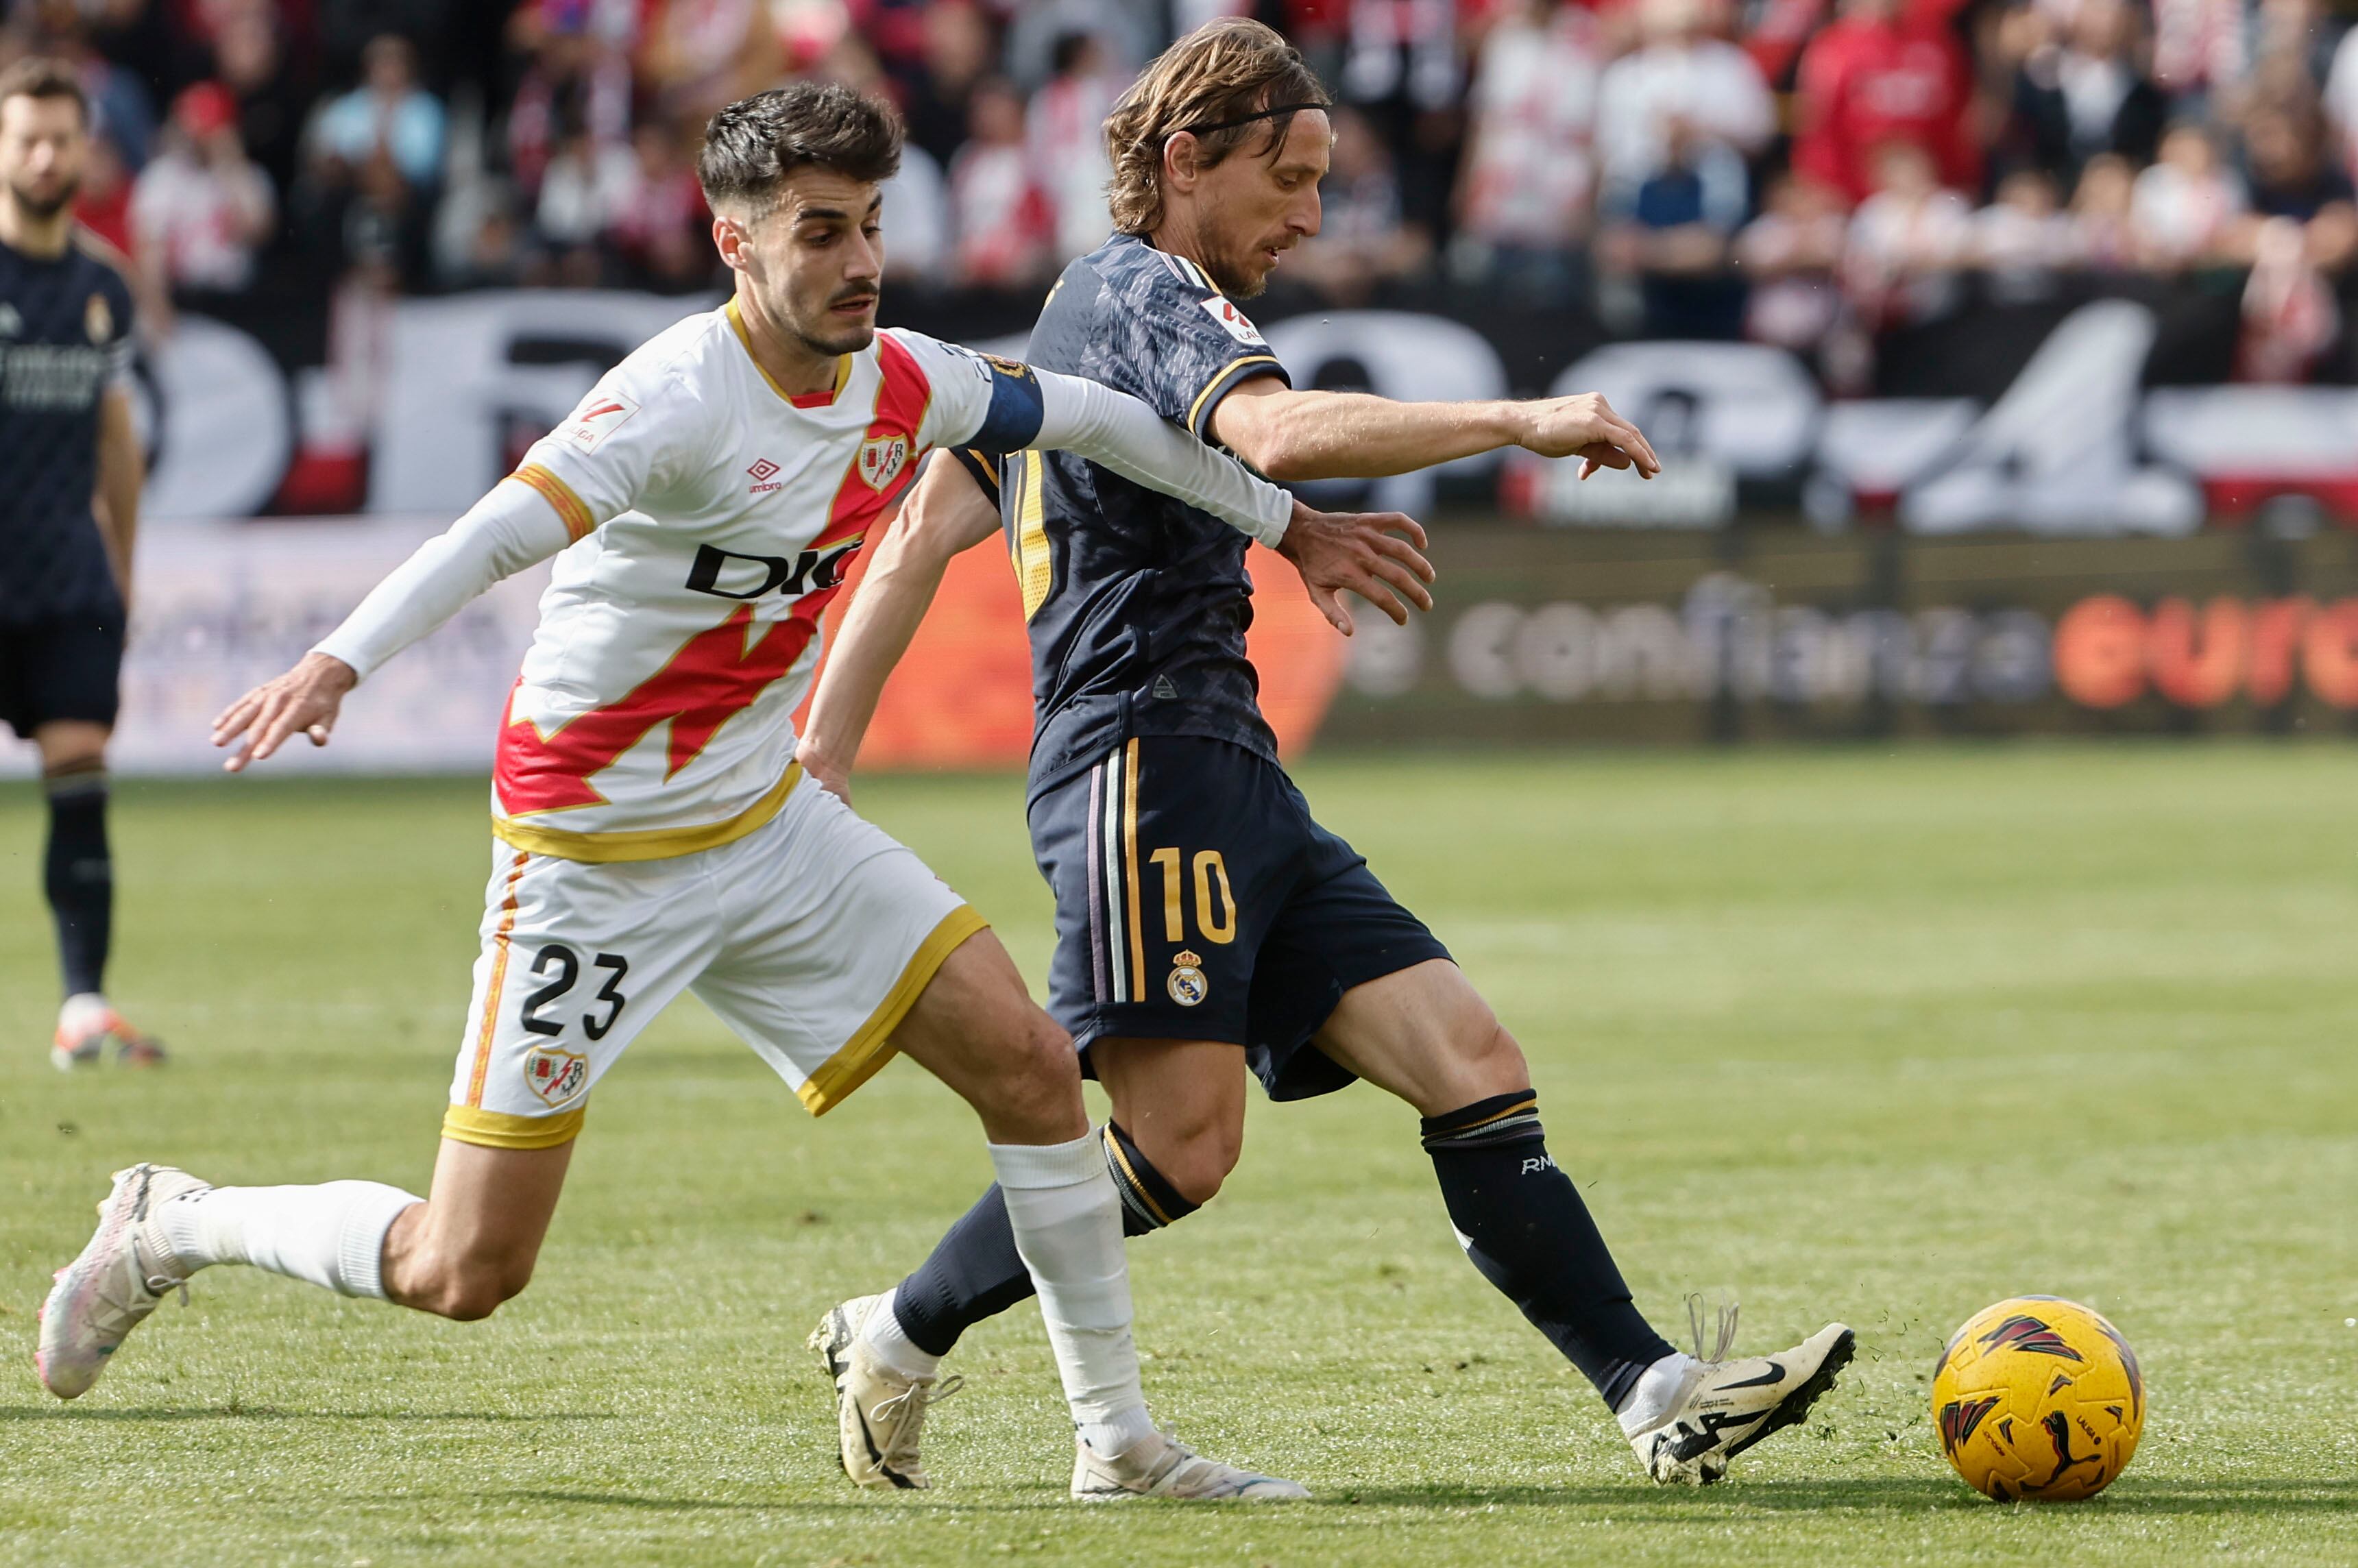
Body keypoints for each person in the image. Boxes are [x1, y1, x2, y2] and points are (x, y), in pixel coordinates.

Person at [36, 81, 1414, 1504]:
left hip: (765, 821)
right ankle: (171, 1224)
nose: (860, 261)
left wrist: (1289, 523)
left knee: (1024, 1064)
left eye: (870, 224)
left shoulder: (907, 380)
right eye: (820, 232)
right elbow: (493, 535)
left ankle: (1116, 1444)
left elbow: (1105, 424)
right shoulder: (674, 398)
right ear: (733, 242)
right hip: (591, 857)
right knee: (466, 1266)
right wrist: (338, 661)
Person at [798, 19, 1855, 1491]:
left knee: (1469, 1060)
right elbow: (1278, 432)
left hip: (1226, 761)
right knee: (1180, 1147)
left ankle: (1656, 1391)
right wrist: (1519, 418)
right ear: (1185, 161)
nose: (1309, 216)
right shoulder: (1141, 288)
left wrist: (827, 745)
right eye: (1288, 178)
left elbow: (930, 520)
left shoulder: (1086, 329)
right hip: (1141, 759)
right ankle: (900, 1331)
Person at [0, 59, 163, 1070]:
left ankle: (85, 1008)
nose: (44, 157)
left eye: (61, 140)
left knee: (79, 770)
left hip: (66, 577)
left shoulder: (104, 286)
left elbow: (117, 442)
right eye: (27, 139)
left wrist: (124, 571)